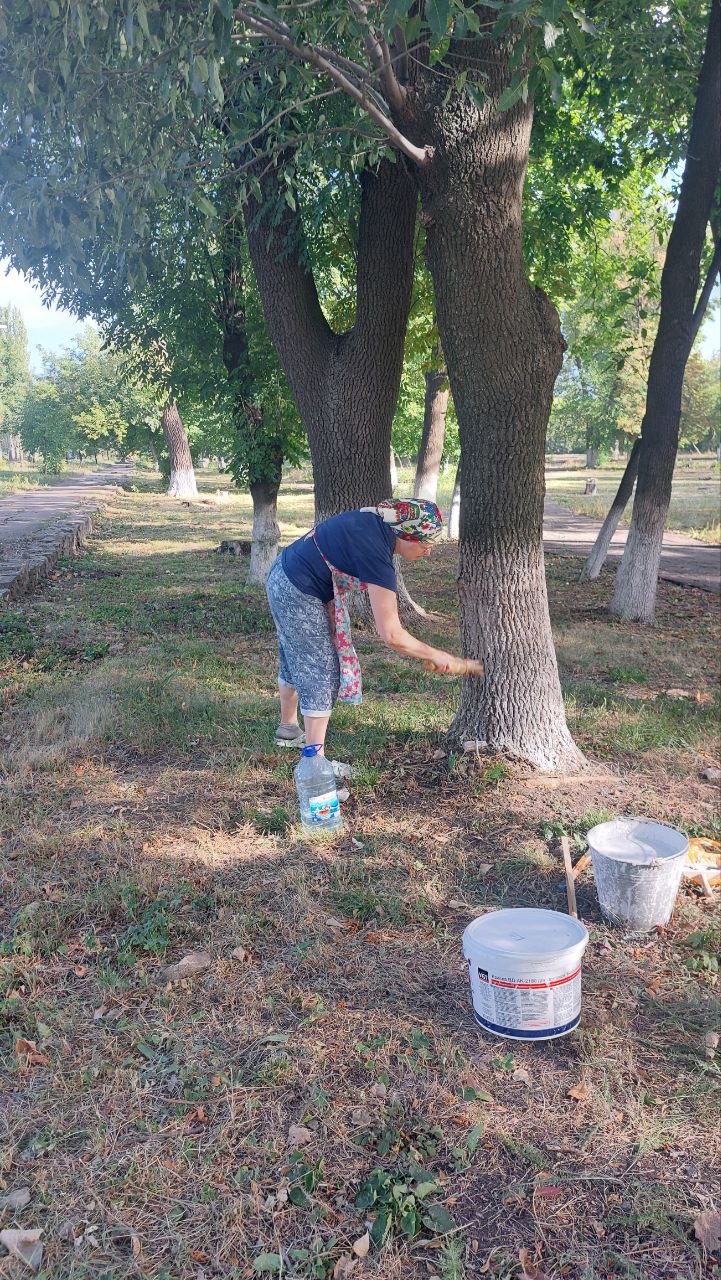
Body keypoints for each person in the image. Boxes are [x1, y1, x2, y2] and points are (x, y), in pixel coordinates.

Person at [265, 498, 461, 755]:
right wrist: (434, 654)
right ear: (407, 535)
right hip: (297, 588)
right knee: (321, 670)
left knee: (295, 656)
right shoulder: (376, 552)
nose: (429, 551)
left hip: (283, 572)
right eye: (426, 542)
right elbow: (392, 634)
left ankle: (288, 729)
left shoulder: (375, 523)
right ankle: (315, 759)